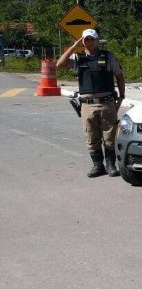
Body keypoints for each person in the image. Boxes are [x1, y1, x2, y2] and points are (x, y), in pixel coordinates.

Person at [56, 29, 125, 178]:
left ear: (97, 40)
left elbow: (119, 76)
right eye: (86, 40)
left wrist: (122, 97)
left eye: (92, 39)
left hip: (107, 103)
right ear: (82, 41)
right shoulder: (78, 58)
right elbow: (60, 65)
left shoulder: (108, 57)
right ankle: (98, 166)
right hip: (87, 105)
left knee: (110, 136)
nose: (90, 42)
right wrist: (73, 47)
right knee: (91, 137)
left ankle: (111, 166)